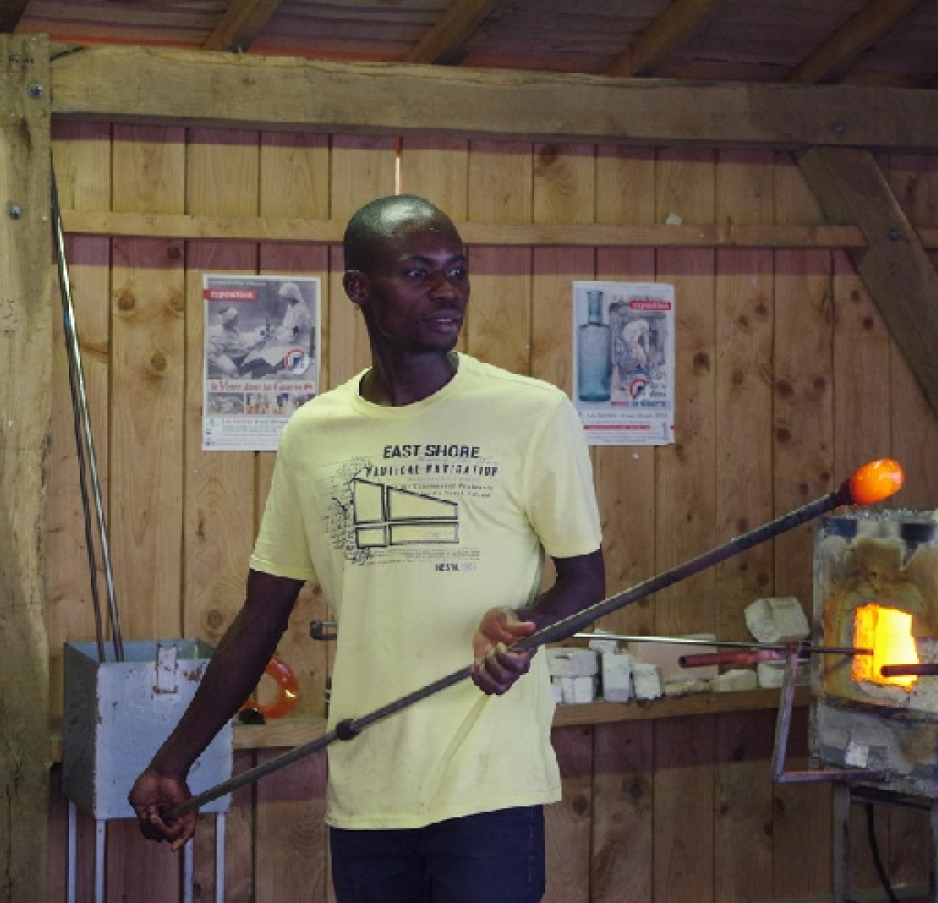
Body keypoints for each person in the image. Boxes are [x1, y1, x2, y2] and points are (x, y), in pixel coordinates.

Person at [129, 194, 606, 903]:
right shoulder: (313, 433)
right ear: (358, 287)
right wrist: (174, 760)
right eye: (418, 273)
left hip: (489, 784)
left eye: (458, 272)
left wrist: (524, 629)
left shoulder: (533, 414)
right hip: (367, 787)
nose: (447, 291)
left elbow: (586, 579)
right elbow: (263, 614)